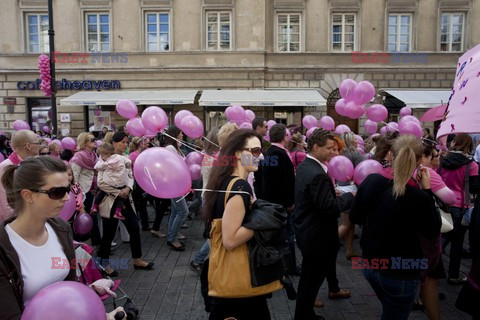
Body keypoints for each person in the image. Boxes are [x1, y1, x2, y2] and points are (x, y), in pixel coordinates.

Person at [0, 156, 126, 320]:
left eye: (68, 190)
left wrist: (88, 290)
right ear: (28, 195)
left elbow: (65, 290)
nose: (67, 198)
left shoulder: (60, 229)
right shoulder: (3, 249)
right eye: (57, 192)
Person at [350, 135, 441, 320]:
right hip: (401, 271)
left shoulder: (371, 181)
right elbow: (433, 230)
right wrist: (428, 190)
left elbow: (355, 217)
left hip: (371, 264)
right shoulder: (419, 197)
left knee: (391, 309)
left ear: (390, 155)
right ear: (418, 160)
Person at [203, 129, 269, 319]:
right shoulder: (240, 186)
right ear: (239, 154)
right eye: (256, 151)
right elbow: (230, 240)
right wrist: (262, 222)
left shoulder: (225, 181)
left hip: (230, 278)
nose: (261, 155)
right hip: (238, 279)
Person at [293, 129, 355, 320]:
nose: (334, 153)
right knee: (311, 281)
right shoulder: (316, 172)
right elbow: (329, 208)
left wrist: (331, 194)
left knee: (308, 279)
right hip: (317, 236)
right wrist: (348, 197)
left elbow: (315, 198)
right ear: (315, 147)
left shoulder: (307, 166)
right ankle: (303, 315)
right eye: (329, 149)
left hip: (308, 232)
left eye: (335, 149)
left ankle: (305, 313)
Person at [97, 132, 153, 275]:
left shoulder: (125, 158)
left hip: (126, 198)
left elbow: (130, 176)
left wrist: (128, 188)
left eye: (126, 142)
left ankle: (137, 259)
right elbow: (100, 182)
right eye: (122, 142)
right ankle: (104, 264)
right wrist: (117, 192)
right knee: (109, 233)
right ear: (114, 143)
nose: (125, 145)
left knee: (134, 227)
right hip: (111, 199)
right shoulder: (105, 159)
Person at [255, 124, 298, 275]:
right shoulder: (280, 154)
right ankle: (289, 266)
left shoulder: (268, 153)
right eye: (287, 135)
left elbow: (260, 178)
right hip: (281, 204)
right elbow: (284, 182)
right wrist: (289, 202)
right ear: (283, 137)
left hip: (269, 202)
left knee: (276, 235)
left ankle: (283, 265)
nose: (289, 138)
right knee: (287, 235)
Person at [439, 133, 480, 284]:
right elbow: (475, 188)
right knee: (457, 243)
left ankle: (431, 270)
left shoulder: (443, 160)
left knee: (441, 238)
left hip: (443, 202)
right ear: (469, 145)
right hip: (461, 205)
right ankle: (453, 275)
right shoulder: (472, 164)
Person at [0, 130, 41, 221]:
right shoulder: (6, 166)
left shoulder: (35, 163)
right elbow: (4, 203)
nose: (39, 145)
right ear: (28, 146)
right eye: (37, 143)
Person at [70, 132, 101, 245]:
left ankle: (97, 244)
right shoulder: (79, 156)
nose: (95, 141)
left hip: (93, 190)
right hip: (83, 193)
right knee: (85, 218)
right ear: (85, 142)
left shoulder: (94, 156)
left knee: (93, 216)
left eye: (94, 139)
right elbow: (74, 178)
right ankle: (80, 245)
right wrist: (78, 197)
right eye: (92, 140)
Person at [162, 126, 189, 251]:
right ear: (175, 134)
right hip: (174, 184)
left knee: (175, 211)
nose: (182, 135)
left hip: (178, 183)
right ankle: (172, 238)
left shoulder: (176, 147)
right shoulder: (170, 148)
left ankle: (172, 232)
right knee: (183, 211)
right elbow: (172, 167)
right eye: (181, 133)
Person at [92, 143, 132, 220]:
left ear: (108, 154)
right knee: (121, 197)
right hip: (121, 182)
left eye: (102, 156)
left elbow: (97, 167)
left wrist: (104, 164)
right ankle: (118, 212)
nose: (102, 157)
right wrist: (125, 166)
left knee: (102, 192)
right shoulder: (121, 157)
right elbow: (129, 162)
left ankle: (95, 206)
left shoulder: (105, 162)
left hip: (109, 182)